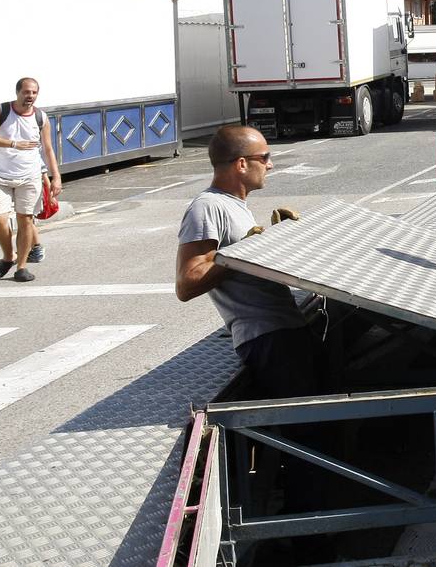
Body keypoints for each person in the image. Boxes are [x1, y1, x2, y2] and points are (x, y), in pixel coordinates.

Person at [175, 124, 335, 564]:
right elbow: (187, 282)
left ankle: (315, 532)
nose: (271, 164)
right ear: (240, 164)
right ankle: (309, 544)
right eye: (265, 157)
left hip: (286, 332)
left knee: (321, 429)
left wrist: (284, 242)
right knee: (308, 437)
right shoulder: (207, 208)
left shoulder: (237, 208)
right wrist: (240, 252)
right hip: (267, 339)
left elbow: (250, 262)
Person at [0, 77, 60, 282]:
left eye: (33, 92)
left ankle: (21, 267)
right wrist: (12, 144)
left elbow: (48, 149)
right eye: (26, 92)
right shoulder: (1, 111)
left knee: (25, 220)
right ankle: (8, 256)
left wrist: (55, 176)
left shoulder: (41, 117)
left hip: (29, 177)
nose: (30, 96)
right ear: (17, 93)